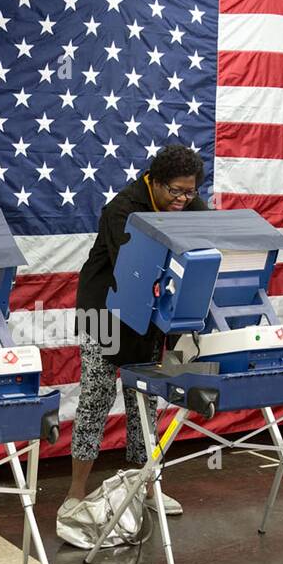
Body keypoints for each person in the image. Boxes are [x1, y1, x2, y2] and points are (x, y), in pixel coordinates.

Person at [59, 144, 208, 527]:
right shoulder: (123, 208)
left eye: (189, 192)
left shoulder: (190, 207)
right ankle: (75, 492)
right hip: (104, 311)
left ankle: (146, 487)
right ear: (154, 182)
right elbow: (133, 269)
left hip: (151, 312)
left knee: (145, 401)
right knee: (96, 398)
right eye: (175, 191)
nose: (183, 199)